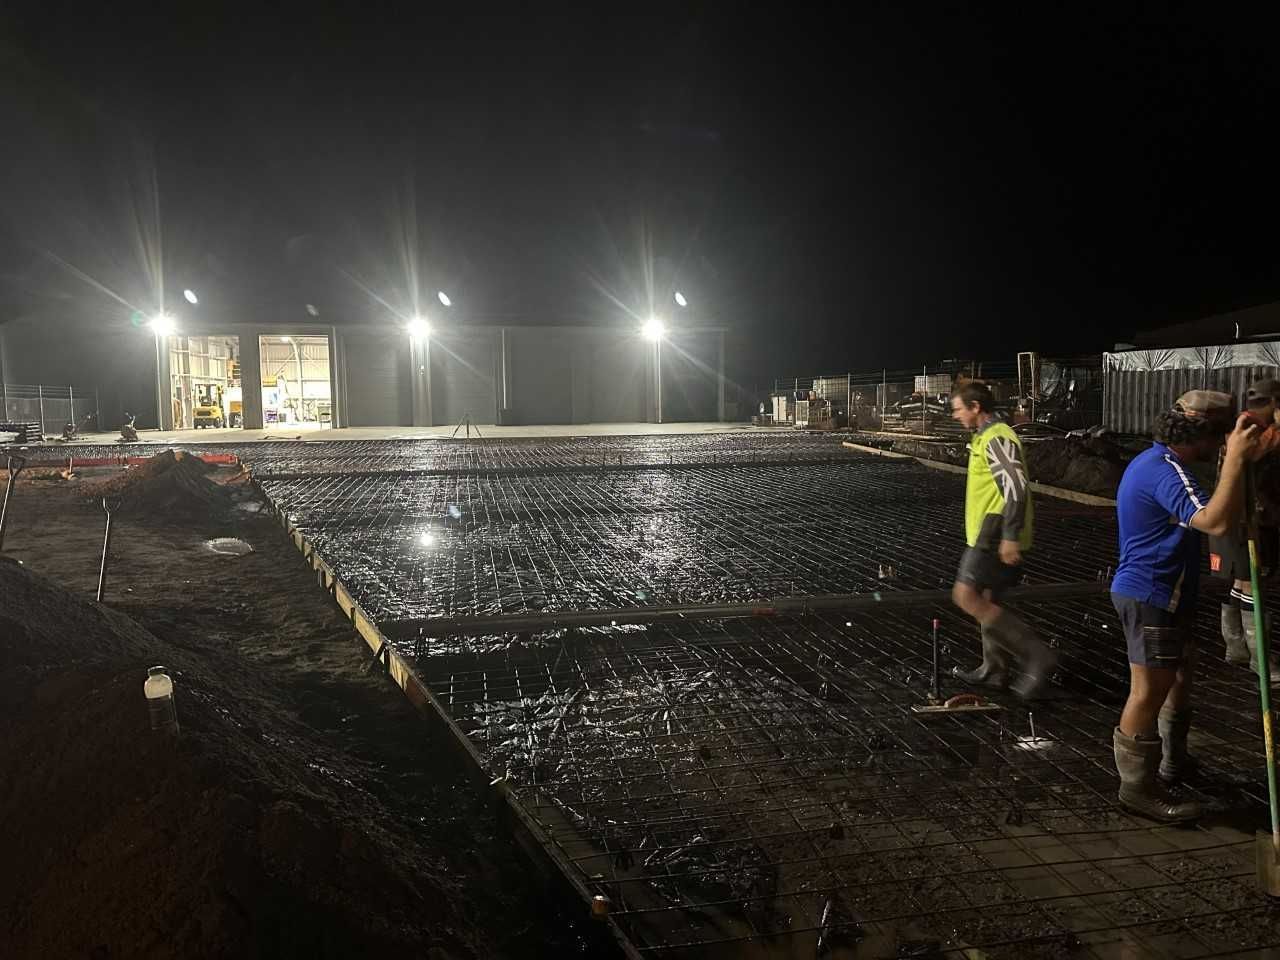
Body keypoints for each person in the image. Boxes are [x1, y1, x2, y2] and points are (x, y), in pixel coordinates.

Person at [1110, 391, 1259, 822]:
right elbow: (1213, 520)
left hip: (1164, 591)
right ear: (1200, 436)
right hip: (1153, 593)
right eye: (1217, 441)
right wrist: (1235, 460)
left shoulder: (1154, 461)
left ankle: (1173, 763)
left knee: (1179, 674)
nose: (1216, 450)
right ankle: (1136, 791)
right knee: (1149, 690)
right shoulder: (1167, 472)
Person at [949, 381, 1057, 697]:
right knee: (988, 599)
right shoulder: (985, 437)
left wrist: (1009, 537)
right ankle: (994, 669)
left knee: (966, 596)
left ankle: (1038, 656)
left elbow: (1015, 486)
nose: (955, 416)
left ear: (975, 407)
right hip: (989, 532)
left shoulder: (997, 437)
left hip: (995, 534)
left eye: (958, 409)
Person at [1211, 379, 1280, 679]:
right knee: (1253, 583)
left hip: (1237, 519)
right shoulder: (1254, 431)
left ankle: (1236, 647)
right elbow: (1256, 457)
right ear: (1275, 404)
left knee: (1240, 581)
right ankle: (1260, 660)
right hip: (1249, 522)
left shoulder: (1243, 423)